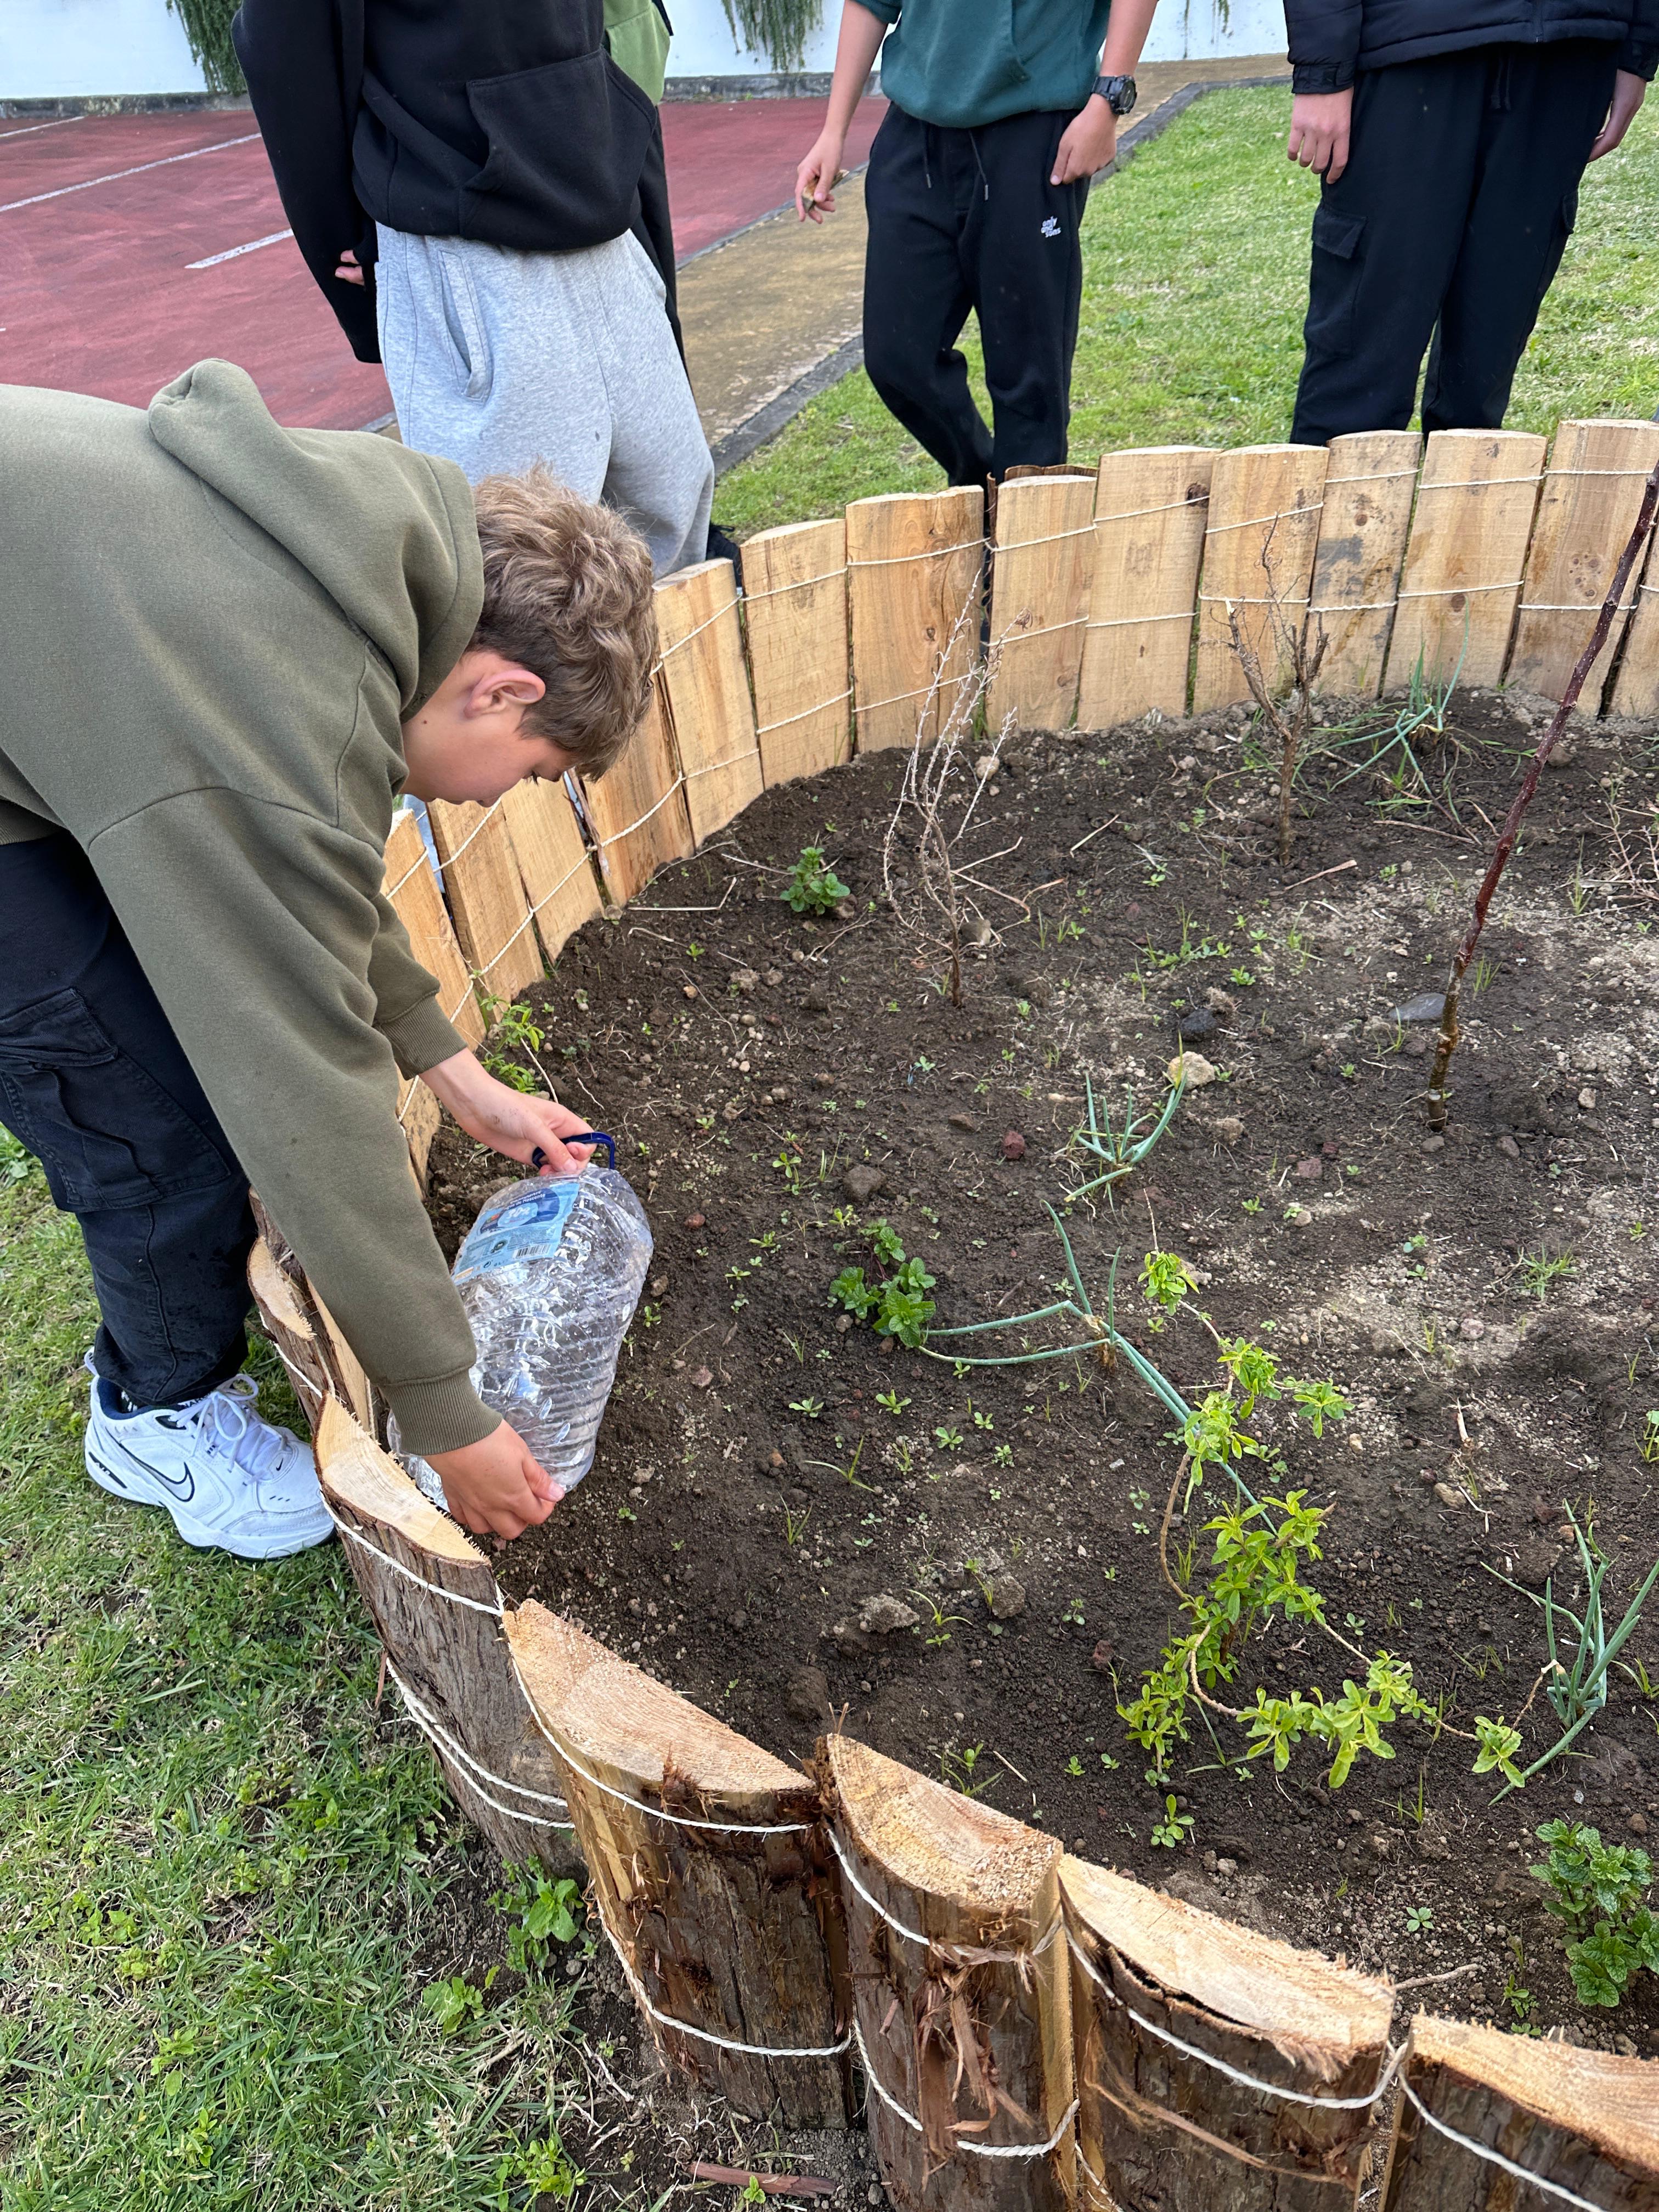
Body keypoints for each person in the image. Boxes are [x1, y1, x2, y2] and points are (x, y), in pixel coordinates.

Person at [0, 360, 656, 1557]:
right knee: (155, 1123)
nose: (505, 800)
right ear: (503, 690)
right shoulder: (261, 702)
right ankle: (151, 1415)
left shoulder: (359, 551)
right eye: (535, 770)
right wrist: (448, 1413)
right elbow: (299, 1077)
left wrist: (458, 1077)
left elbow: (312, 876)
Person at [233, 0, 714, 575]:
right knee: (519, 576)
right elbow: (283, 48)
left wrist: (616, 148)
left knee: (676, 527)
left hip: (602, 215)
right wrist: (351, 234)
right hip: (465, 240)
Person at [793, 0, 1162, 487]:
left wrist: (1108, 100)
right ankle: (981, 492)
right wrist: (833, 131)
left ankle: (1028, 538)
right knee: (898, 359)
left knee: (1029, 381)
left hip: (1033, 126)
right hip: (915, 133)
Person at [1284, 0, 1657, 446]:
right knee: (1364, 351)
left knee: (1487, 356)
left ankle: (1463, 509)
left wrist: (1638, 52)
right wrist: (1322, 75)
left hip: (1573, 48)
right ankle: (1328, 510)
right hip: (1410, 47)